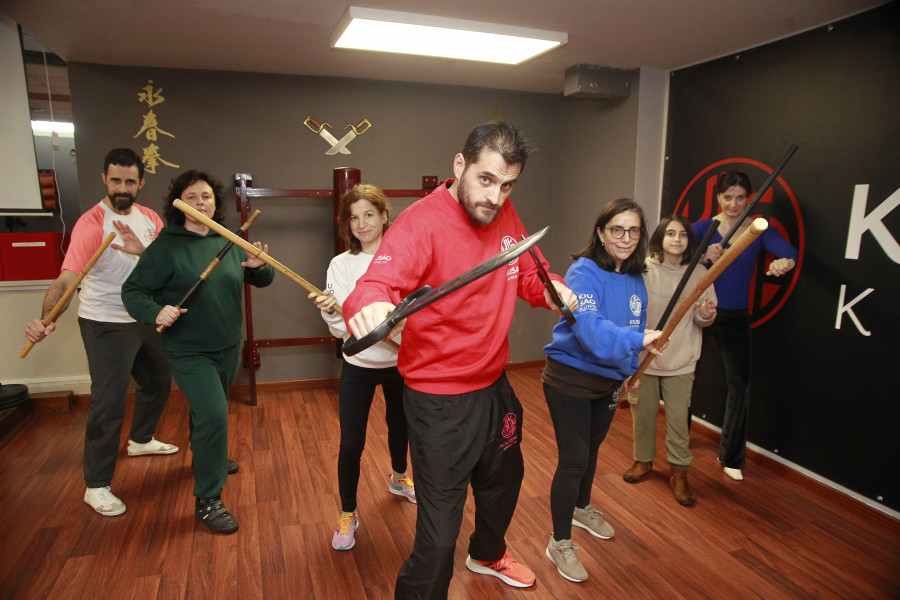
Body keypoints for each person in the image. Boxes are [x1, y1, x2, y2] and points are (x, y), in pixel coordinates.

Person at [344, 120, 577, 599]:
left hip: (495, 385)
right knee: (439, 533)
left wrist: (554, 291)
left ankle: (488, 554)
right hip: (440, 401)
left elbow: (529, 272)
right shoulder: (420, 223)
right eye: (486, 179)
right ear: (459, 166)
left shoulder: (505, 214)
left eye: (507, 184)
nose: (495, 196)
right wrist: (366, 306)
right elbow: (374, 285)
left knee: (504, 481)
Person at [24, 148, 178, 517]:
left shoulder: (150, 217)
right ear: (104, 179)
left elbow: (163, 263)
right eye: (115, 180)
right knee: (108, 404)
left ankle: (140, 440)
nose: (121, 187)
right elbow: (66, 280)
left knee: (157, 382)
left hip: (145, 316)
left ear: (140, 183)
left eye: (129, 181)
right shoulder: (91, 224)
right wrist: (45, 318)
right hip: (105, 322)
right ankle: (95, 486)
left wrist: (144, 252)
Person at [121, 170, 274, 534]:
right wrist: (156, 311)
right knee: (214, 415)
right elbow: (133, 292)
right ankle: (208, 499)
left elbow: (259, 279)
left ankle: (208, 457)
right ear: (179, 203)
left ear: (214, 202)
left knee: (209, 412)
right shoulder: (165, 247)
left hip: (227, 344)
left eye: (206, 196)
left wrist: (261, 267)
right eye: (191, 197)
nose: (200, 202)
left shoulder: (227, 238)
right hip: (189, 350)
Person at [541, 198, 663, 583]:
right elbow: (590, 332)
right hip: (571, 379)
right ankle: (559, 541)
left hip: (609, 381)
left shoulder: (636, 278)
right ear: (600, 233)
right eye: (617, 230)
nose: (625, 238)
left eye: (633, 230)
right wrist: (638, 340)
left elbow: (633, 326)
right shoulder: (583, 273)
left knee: (592, 450)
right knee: (574, 458)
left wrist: (631, 371)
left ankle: (581, 507)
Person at [306, 184, 415, 552]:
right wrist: (329, 309)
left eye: (369, 214)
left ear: (385, 216)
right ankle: (348, 512)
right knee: (351, 441)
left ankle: (399, 478)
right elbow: (341, 330)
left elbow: (413, 315)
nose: (362, 223)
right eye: (353, 217)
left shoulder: (405, 259)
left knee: (400, 426)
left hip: (401, 362)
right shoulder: (340, 264)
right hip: (359, 364)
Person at [693, 171, 797, 481]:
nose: (734, 204)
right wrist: (700, 257)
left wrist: (783, 263)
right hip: (700, 310)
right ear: (718, 198)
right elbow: (675, 262)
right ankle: (677, 443)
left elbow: (788, 252)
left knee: (739, 385)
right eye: (728, 197)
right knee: (684, 378)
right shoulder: (701, 228)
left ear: (749, 198)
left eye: (741, 197)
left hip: (736, 314)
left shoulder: (757, 230)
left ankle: (731, 457)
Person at [623, 215, 717, 507]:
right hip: (647, 358)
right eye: (671, 234)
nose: (677, 240)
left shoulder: (700, 272)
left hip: (682, 359)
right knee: (644, 415)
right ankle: (643, 461)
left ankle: (679, 472)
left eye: (683, 235)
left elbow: (704, 318)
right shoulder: (644, 270)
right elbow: (631, 311)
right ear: (660, 238)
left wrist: (706, 313)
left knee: (678, 419)